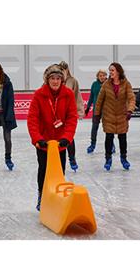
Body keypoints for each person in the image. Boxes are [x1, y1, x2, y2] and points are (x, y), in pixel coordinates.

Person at [27, 64, 78, 211]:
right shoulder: (39, 95)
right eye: (52, 78)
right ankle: (42, 196)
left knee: (59, 172)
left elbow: (71, 118)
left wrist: (67, 138)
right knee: (43, 170)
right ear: (47, 79)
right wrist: (37, 139)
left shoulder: (68, 94)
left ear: (62, 80)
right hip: (44, 143)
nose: (55, 81)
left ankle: (57, 197)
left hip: (60, 143)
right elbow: (32, 119)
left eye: (58, 78)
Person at [94, 62, 135, 171]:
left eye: (112, 70)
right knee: (109, 138)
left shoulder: (126, 84)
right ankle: (108, 159)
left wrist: (130, 110)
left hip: (122, 116)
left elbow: (131, 98)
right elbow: (99, 100)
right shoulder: (106, 84)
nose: (110, 72)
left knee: (122, 138)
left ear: (118, 71)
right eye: (110, 70)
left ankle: (124, 158)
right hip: (109, 115)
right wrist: (97, 114)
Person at [58, 61, 84, 172]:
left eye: (65, 69)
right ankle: (57, 161)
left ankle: (72, 159)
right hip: (57, 115)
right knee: (57, 137)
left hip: (69, 114)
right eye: (61, 69)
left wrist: (79, 111)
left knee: (69, 137)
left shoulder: (73, 81)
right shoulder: (55, 80)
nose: (63, 71)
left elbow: (77, 96)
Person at [85, 69, 108, 153]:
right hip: (96, 109)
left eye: (103, 75)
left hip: (107, 109)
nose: (102, 77)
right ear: (98, 77)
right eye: (100, 76)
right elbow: (91, 97)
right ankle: (92, 144)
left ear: (106, 76)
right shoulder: (94, 84)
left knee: (108, 129)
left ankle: (111, 145)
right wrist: (87, 108)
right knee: (94, 127)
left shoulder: (109, 84)